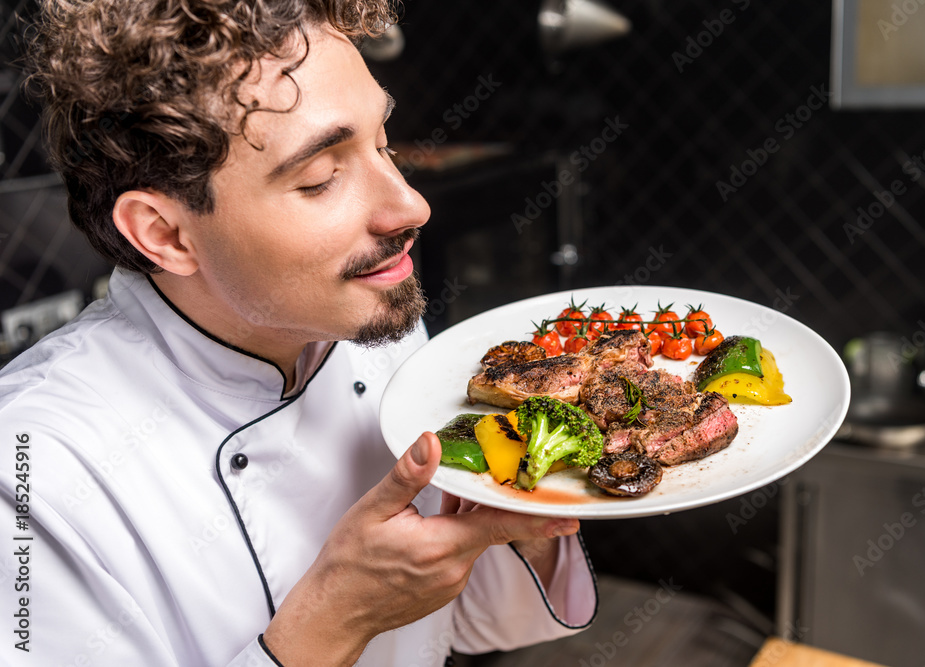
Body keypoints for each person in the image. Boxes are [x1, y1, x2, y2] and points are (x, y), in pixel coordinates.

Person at [0, 1, 598, 665]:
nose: (411, 206)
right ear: (164, 233)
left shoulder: (365, 319)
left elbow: (469, 624)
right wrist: (335, 618)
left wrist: (530, 509)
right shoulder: (33, 477)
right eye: (320, 177)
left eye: (384, 143)